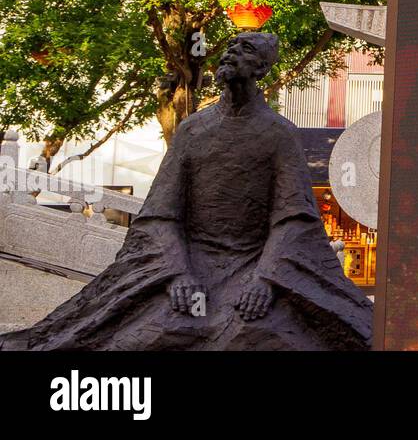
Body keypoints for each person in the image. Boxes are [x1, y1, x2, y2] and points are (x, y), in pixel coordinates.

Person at [5, 33, 372, 350]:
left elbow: (292, 219)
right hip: (189, 260)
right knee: (139, 331)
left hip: (254, 262)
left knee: (262, 327)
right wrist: (178, 273)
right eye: (228, 48)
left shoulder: (280, 134)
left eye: (243, 50)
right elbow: (162, 214)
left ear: (261, 69)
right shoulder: (194, 130)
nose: (229, 55)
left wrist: (265, 279)